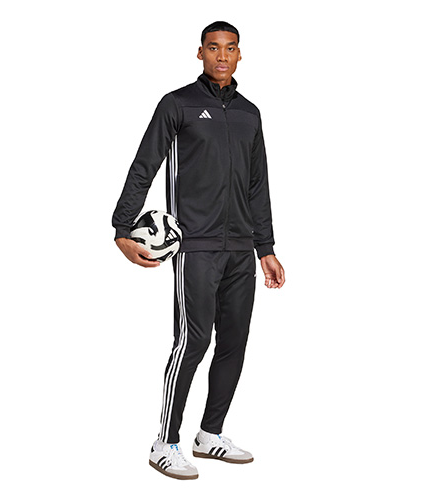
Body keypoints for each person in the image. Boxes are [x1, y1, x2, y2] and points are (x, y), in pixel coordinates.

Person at [112, 21, 285, 480]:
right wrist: (122, 228)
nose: (222, 56)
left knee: (234, 342)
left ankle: (210, 434)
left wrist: (265, 247)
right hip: (196, 247)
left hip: (240, 249)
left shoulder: (250, 114)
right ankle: (164, 442)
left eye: (230, 48)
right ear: (200, 53)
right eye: (213, 48)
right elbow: (144, 165)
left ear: (240, 55)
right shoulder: (178, 104)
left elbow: (258, 185)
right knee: (193, 341)